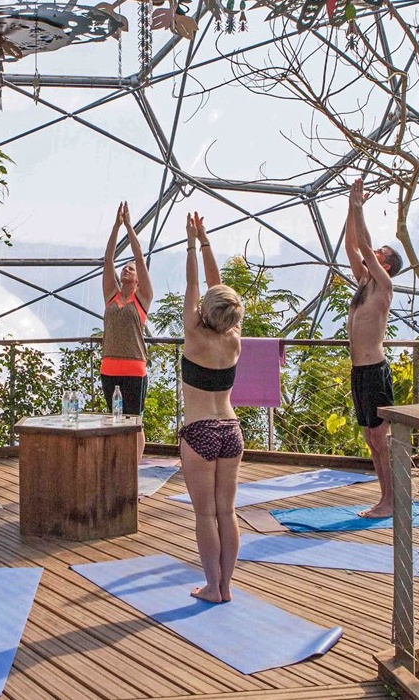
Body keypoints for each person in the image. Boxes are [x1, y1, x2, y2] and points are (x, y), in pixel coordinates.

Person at [178, 212, 245, 604]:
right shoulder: (234, 338)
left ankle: (211, 586)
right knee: (227, 511)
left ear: (206, 310)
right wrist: (205, 241)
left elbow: (194, 284)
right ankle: (228, 586)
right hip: (231, 431)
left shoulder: (194, 333)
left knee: (205, 515)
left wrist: (191, 242)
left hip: (200, 431)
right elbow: (217, 289)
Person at [343, 178, 404, 518]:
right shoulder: (364, 282)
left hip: (374, 370)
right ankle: (384, 499)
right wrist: (350, 210)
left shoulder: (383, 284)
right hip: (359, 371)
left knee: (382, 440)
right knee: (371, 439)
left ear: (388, 265)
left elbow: (364, 248)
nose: (374, 253)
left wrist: (358, 206)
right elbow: (353, 247)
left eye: (382, 253)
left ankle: (391, 500)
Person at [101, 201, 154, 460]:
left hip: (134, 368)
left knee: (135, 421)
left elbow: (140, 256)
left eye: (131, 269)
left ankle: (133, 466)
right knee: (114, 421)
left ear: (138, 279)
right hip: (109, 368)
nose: (126, 269)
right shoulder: (111, 295)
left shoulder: (142, 298)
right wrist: (115, 226)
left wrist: (130, 227)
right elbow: (108, 259)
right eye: (126, 267)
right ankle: (119, 463)